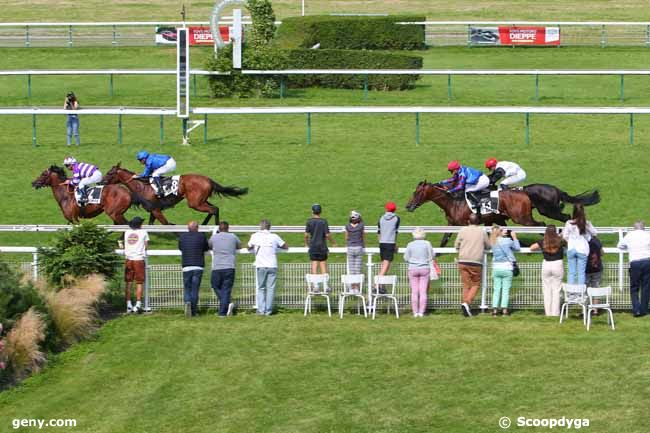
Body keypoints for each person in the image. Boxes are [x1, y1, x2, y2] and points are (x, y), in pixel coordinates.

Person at [249, 219, 288, 316]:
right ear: (269, 227)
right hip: (272, 265)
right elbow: (285, 246)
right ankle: (268, 311)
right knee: (270, 289)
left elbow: (248, 247)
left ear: (260, 226)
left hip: (261, 265)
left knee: (261, 288)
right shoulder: (274, 236)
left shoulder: (255, 236)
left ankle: (261, 310)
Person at [455, 213, 490, 317]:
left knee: (466, 285)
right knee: (475, 284)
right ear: (478, 222)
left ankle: (465, 304)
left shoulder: (462, 230)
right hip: (476, 262)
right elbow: (488, 246)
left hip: (463, 261)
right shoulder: (482, 231)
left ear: (468, 221)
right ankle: (467, 303)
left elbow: (456, 244)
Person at [617, 220, 650, 317]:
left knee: (634, 287)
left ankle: (636, 310)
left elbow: (620, 245)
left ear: (634, 227)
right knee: (646, 287)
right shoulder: (647, 234)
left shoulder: (629, 235)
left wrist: (628, 249)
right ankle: (644, 309)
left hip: (635, 262)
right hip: (647, 261)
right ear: (643, 227)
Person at [530, 225, 565, 316]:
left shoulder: (543, 241)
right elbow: (568, 244)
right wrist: (561, 236)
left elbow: (532, 247)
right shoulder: (560, 241)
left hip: (546, 264)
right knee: (556, 290)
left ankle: (548, 312)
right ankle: (555, 313)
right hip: (558, 264)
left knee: (547, 290)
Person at [209, 221, 241, 317]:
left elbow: (209, 246)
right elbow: (239, 246)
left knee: (215, 286)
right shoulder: (233, 236)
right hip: (229, 266)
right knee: (226, 289)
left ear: (219, 229)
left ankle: (223, 311)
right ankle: (226, 305)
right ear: (228, 228)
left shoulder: (214, 237)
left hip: (217, 267)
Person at [178, 221, 209, 317]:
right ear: (197, 228)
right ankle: (194, 311)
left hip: (186, 266)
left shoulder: (182, 237)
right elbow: (206, 248)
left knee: (187, 288)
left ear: (188, 228)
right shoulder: (201, 236)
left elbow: (180, 248)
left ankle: (187, 304)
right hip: (198, 266)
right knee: (195, 289)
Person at [403, 227, 435, 317]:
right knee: (423, 291)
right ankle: (421, 312)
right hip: (425, 268)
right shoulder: (427, 243)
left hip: (412, 268)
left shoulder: (410, 244)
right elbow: (431, 255)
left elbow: (405, 257)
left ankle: (415, 312)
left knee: (414, 291)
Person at [489, 226, 520, 316]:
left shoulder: (492, 241)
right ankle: (504, 310)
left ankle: (494, 309)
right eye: (502, 230)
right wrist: (514, 237)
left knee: (496, 289)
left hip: (496, 268)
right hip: (507, 267)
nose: (504, 231)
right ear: (499, 232)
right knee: (505, 290)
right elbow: (517, 247)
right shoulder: (507, 241)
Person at [563, 204, 597, 285]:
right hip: (582, 249)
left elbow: (565, 236)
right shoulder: (586, 223)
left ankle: (571, 293)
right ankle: (580, 293)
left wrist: (570, 241)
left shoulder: (569, 223)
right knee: (581, 273)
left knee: (571, 272)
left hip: (571, 249)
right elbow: (595, 233)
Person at [123, 216, 148, 314]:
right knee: (139, 282)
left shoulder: (126, 232)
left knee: (128, 282)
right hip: (138, 259)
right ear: (140, 225)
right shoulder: (143, 232)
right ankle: (138, 304)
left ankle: (128, 304)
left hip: (128, 259)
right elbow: (146, 245)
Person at [304, 204, 337, 279]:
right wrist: (333, 242)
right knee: (323, 265)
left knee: (314, 265)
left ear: (312, 212)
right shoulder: (324, 221)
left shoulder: (309, 221)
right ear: (320, 212)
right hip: (322, 247)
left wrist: (306, 243)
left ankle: (315, 286)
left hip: (313, 247)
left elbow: (306, 235)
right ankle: (325, 286)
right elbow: (327, 235)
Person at [378, 201, 400, 278]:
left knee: (384, 263)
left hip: (382, 242)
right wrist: (395, 244)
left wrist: (380, 241)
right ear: (395, 209)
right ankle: (376, 283)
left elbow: (379, 231)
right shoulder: (396, 218)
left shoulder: (381, 218)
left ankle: (380, 286)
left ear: (386, 209)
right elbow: (395, 232)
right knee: (387, 262)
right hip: (390, 242)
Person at [345, 210, 365, 293]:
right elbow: (363, 236)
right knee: (358, 268)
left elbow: (346, 237)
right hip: (359, 247)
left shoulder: (347, 226)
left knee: (351, 269)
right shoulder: (361, 225)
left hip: (350, 247)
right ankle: (357, 287)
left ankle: (352, 287)